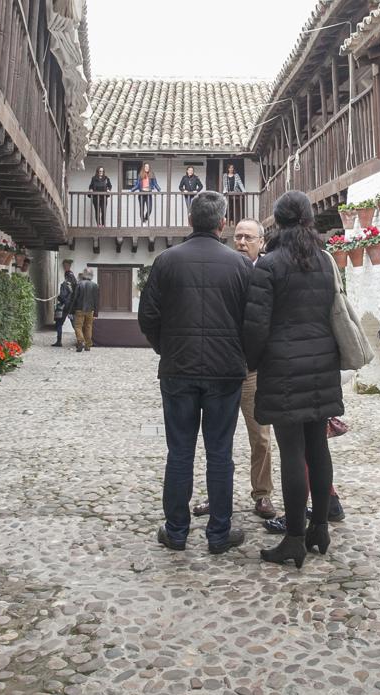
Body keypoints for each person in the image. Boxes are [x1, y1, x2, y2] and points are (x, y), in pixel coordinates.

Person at [138, 191, 251, 554]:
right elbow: (254, 320)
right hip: (225, 372)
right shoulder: (239, 265)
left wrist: (166, 348)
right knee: (220, 453)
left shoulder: (166, 261)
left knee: (180, 452)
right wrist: (241, 355)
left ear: (190, 220)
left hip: (178, 369)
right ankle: (218, 534)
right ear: (222, 224)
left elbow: (148, 317)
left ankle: (176, 531)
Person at [244, 190, 341, 569]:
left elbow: (256, 325)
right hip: (321, 365)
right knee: (318, 448)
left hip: (284, 368)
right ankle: (320, 528)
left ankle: (295, 538)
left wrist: (250, 362)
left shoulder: (269, 265)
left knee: (292, 453)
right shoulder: (323, 261)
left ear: (277, 222)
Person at [192, 219, 277, 521]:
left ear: (261, 242)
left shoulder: (267, 273)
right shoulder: (223, 267)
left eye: (248, 237)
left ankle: (263, 494)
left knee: (261, 437)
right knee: (218, 439)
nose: (241, 242)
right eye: (237, 236)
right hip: (223, 368)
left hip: (253, 371)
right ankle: (217, 496)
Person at [51, 259, 78, 347]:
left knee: (59, 324)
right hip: (72, 307)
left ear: (65, 276)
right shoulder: (76, 285)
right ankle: (80, 340)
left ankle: (59, 341)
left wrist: (59, 297)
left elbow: (62, 297)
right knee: (75, 325)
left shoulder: (64, 284)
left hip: (64, 307)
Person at [72, 269, 99, 353]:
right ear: (92, 275)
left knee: (78, 326)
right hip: (90, 310)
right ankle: (88, 345)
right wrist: (96, 313)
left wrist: (71, 310)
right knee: (88, 327)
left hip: (79, 309)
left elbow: (74, 298)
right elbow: (96, 300)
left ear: (84, 274)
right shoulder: (95, 285)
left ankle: (80, 341)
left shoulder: (79, 284)